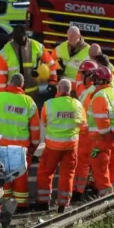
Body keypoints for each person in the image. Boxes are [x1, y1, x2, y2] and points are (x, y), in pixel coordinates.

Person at [0, 73, 40, 210]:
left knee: (3, 177)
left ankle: (3, 207)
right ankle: (21, 207)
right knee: (20, 178)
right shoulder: (29, 102)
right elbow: (35, 129)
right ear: (22, 86)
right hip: (21, 148)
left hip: (1, 146)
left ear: (9, 84)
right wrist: (34, 146)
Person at [35, 79, 86, 212]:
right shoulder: (78, 105)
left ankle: (44, 202)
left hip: (53, 146)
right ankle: (63, 204)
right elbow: (83, 124)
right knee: (68, 174)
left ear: (58, 89)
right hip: (71, 146)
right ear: (70, 90)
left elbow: (45, 122)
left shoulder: (49, 104)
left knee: (46, 172)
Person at [88, 66, 114, 197]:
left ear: (99, 80)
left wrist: (105, 135)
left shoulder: (100, 96)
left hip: (102, 137)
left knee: (100, 166)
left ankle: (105, 195)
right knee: (113, 163)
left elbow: (102, 120)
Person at [0, 25, 57, 105]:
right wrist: (2, 97)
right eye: (15, 38)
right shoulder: (4, 52)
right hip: (13, 94)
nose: (17, 41)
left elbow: (51, 64)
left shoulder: (37, 46)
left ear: (25, 35)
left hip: (32, 93)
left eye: (19, 38)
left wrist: (52, 83)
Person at [72, 60, 98, 202]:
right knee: (94, 161)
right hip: (95, 132)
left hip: (86, 132)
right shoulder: (93, 90)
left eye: (83, 74)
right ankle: (93, 185)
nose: (80, 77)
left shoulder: (89, 92)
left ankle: (78, 191)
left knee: (82, 162)